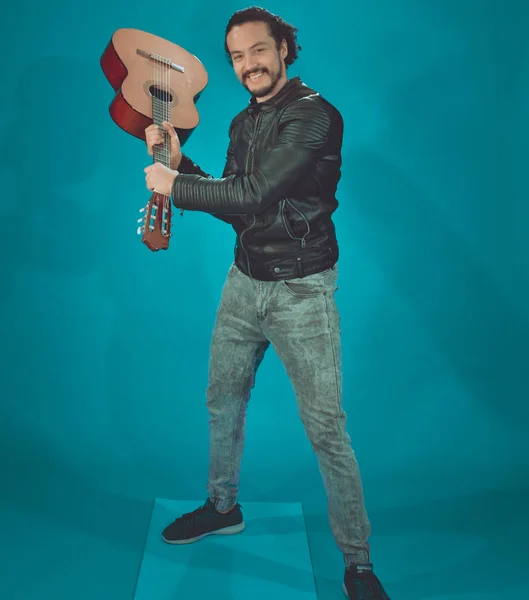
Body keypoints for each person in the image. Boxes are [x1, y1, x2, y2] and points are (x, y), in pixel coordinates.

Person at [143, 7, 390, 599]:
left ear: (284, 49)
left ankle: (358, 564)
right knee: (221, 401)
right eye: (236, 57)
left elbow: (257, 192)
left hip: (301, 290)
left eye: (258, 50)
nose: (247, 65)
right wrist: (182, 164)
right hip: (244, 281)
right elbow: (236, 205)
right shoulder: (240, 124)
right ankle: (222, 506)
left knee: (326, 428)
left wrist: (173, 184)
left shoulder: (315, 117)